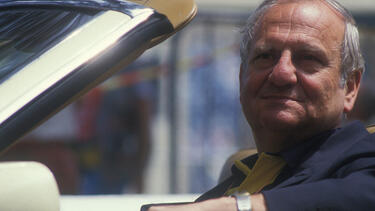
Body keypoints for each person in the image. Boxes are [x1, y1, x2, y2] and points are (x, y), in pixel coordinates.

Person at [144, 0, 375, 210]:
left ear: (350, 87)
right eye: (265, 56)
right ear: (241, 77)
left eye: (308, 58)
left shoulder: (362, 158)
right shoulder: (236, 181)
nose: (282, 73)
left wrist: (242, 207)